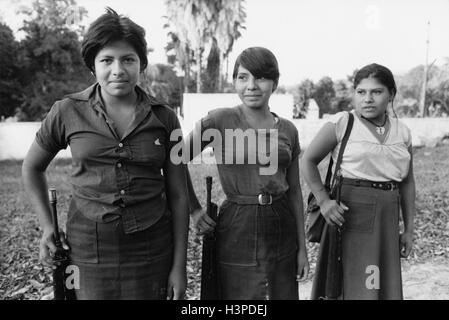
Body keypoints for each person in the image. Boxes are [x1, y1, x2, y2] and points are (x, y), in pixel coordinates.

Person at [22, 8, 189, 300]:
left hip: (152, 248)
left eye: (128, 59)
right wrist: (48, 226)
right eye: (107, 60)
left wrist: (179, 266)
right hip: (86, 249)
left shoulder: (166, 119)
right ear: (92, 65)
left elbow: (178, 194)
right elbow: (32, 168)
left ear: (142, 63)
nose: (118, 70)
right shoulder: (67, 111)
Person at [185, 47, 309, 300]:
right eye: (243, 77)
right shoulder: (219, 120)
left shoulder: (288, 129)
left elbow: (295, 191)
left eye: (260, 77)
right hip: (237, 224)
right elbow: (174, 159)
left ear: (275, 82)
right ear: (234, 82)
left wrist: (302, 249)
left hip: (281, 221)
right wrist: (194, 209)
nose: (251, 86)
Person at [300, 63, 415, 300]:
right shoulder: (343, 123)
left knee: (379, 282)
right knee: (351, 283)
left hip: (387, 216)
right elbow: (307, 161)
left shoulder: (402, 132)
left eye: (377, 91)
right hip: (350, 215)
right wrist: (324, 201)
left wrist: (409, 229)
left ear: (391, 94)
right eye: (361, 92)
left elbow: (407, 182)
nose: (368, 99)